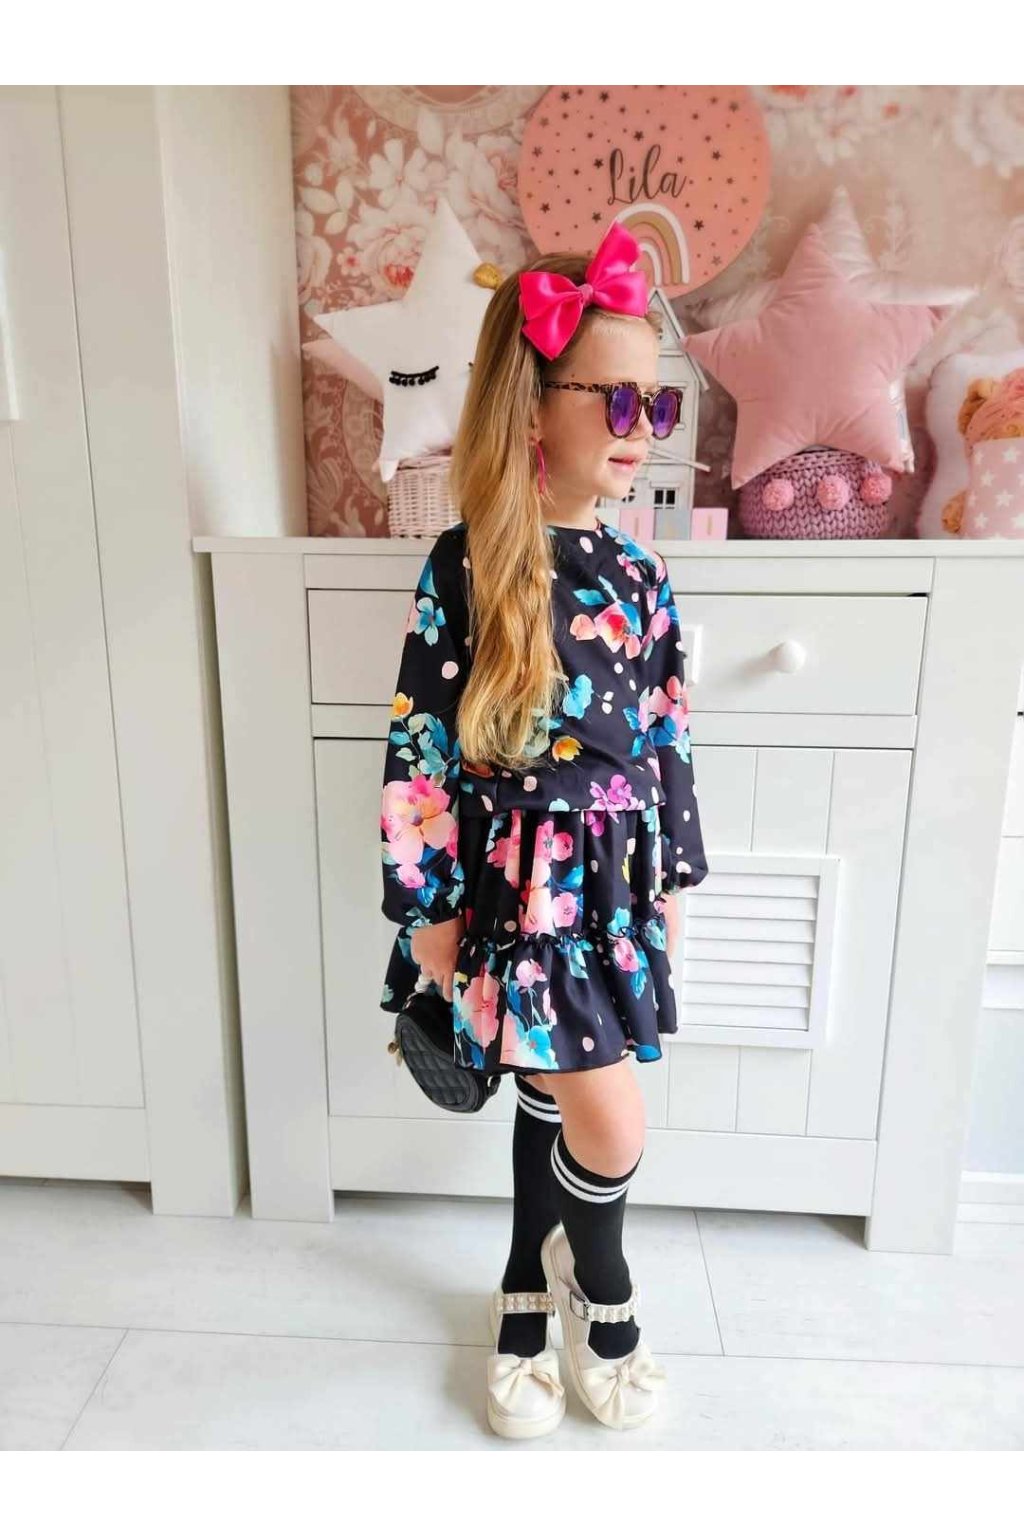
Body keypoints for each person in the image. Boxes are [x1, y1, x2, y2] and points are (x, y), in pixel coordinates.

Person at [378, 219, 709, 1438]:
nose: (640, 430)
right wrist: (426, 907)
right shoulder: (466, 564)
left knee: (560, 1092)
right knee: (598, 1113)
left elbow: (667, 732)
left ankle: (530, 1274)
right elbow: (419, 747)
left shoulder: (642, 575)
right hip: (511, 884)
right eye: (616, 402)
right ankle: (599, 1290)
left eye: (654, 407)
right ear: (534, 405)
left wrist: (670, 873)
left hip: (614, 886)